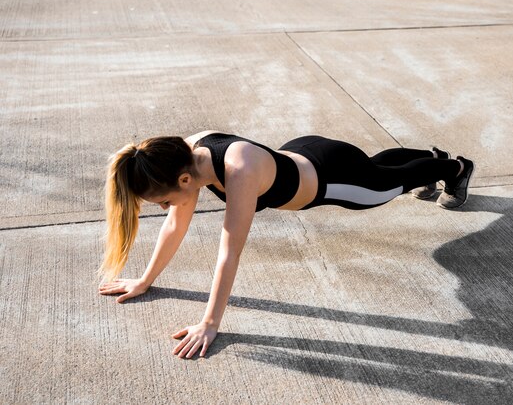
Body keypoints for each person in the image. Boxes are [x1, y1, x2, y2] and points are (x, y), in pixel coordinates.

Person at [98, 130, 475, 359]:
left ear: (182, 180)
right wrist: (144, 281)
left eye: (162, 200)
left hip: (331, 179)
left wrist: (209, 323)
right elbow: (174, 227)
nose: (165, 208)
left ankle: (455, 168)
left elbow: (229, 251)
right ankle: (432, 158)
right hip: (309, 150)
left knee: (384, 187)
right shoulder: (186, 152)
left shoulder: (238, 172)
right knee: (377, 168)